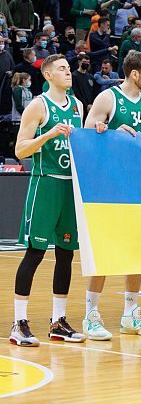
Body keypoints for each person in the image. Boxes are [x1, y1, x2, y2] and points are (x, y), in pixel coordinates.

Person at [82, 52, 141, 340]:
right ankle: (90, 315)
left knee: (137, 248)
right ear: (134, 74)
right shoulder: (108, 98)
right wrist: (109, 132)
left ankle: (130, 314)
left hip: (139, 182)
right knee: (106, 251)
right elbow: (85, 134)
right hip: (109, 185)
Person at [11, 54, 86, 347]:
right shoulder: (38, 106)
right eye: (62, 69)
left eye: (69, 68)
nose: (69, 72)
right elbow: (20, 150)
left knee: (66, 253)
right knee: (35, 252)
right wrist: (49, 133)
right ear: (48, 75)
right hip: (45, 185)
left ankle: (59, 322)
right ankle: (19, 323)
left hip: (70, 187)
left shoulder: (79, 106)